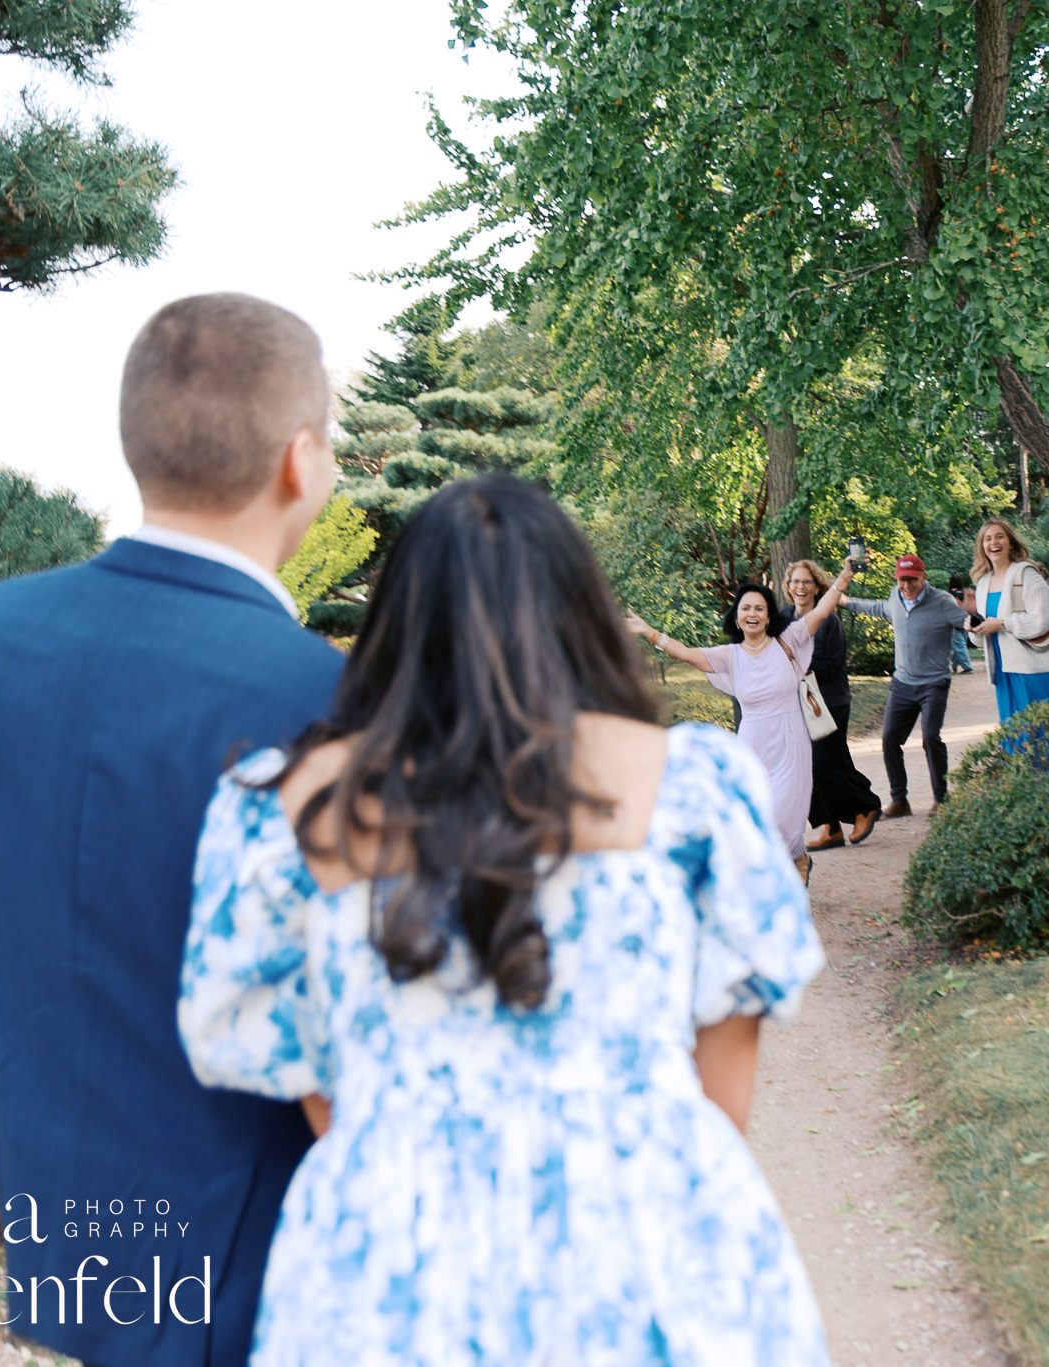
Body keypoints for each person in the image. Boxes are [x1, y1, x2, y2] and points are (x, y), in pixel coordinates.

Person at [179, 476, 830, 1367]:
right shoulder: (688, 786)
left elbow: (309, 1075)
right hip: (647, 1224)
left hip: (385, 1248)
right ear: (578, 612)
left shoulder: (285, 806)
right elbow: (725, 1087)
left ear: (397, 625)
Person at [0, 294, 346, 1367]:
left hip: (68, 1210)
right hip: (265, 1244)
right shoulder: (330, 695)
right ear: (300, 459)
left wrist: (44, 1100)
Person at [627, 561, 856, 879]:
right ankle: (793, 859)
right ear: (737, 616)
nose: (752, 613)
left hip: (791, 740)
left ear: (768, 615)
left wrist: (845, 576)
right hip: (753, 743)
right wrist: (649, 632)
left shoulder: (788, 641)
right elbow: (686, 653)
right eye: (745, 607)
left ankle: (793, 860)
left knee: (783, 813)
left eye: (759, 608)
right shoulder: (729, 656)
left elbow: (820, 612)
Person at [844, 553, 970, 816]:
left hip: (934, 683)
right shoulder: (895, 596)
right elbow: (878, 608)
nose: (906, 586)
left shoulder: (943, 602)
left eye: (912, 580)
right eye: (902, 580)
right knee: (889, 739)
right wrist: (845, 601)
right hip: (903, 683)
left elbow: (967, 623)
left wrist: (977, 618)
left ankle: (941, 798)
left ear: (923, 577)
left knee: (931, 737)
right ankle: (900, 800)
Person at [785, 559, 882, 852]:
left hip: (829, 701)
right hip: (794, 704)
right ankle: (830, 826)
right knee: (804, 765)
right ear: (788, 587)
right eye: (795, 582)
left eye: (807, 582)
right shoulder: (782, 618)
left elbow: (832, 666)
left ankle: (865, 806)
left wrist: (795, 663)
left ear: (817, 587)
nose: (800, 587)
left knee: (826, 763)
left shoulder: (828, 620)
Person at [968, 519, 1049, 722]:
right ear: (982, 547)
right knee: (1017, 741)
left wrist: (1003, 624)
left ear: (1011, 542)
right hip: (1004, 674)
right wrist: (973, 629)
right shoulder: (983, 582)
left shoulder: (1027, 574)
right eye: (987, 539)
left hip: (1035, 669)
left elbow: (1042, 620)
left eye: (999, 536)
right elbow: (980, 642)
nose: (993, 542)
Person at [946, 570, 976, 675]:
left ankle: (967, 667)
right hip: (967, 620)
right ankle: (954, 667)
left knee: (959, 645)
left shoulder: (950, 594)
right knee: (959, 644)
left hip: (954, 622)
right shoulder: (966, 592)